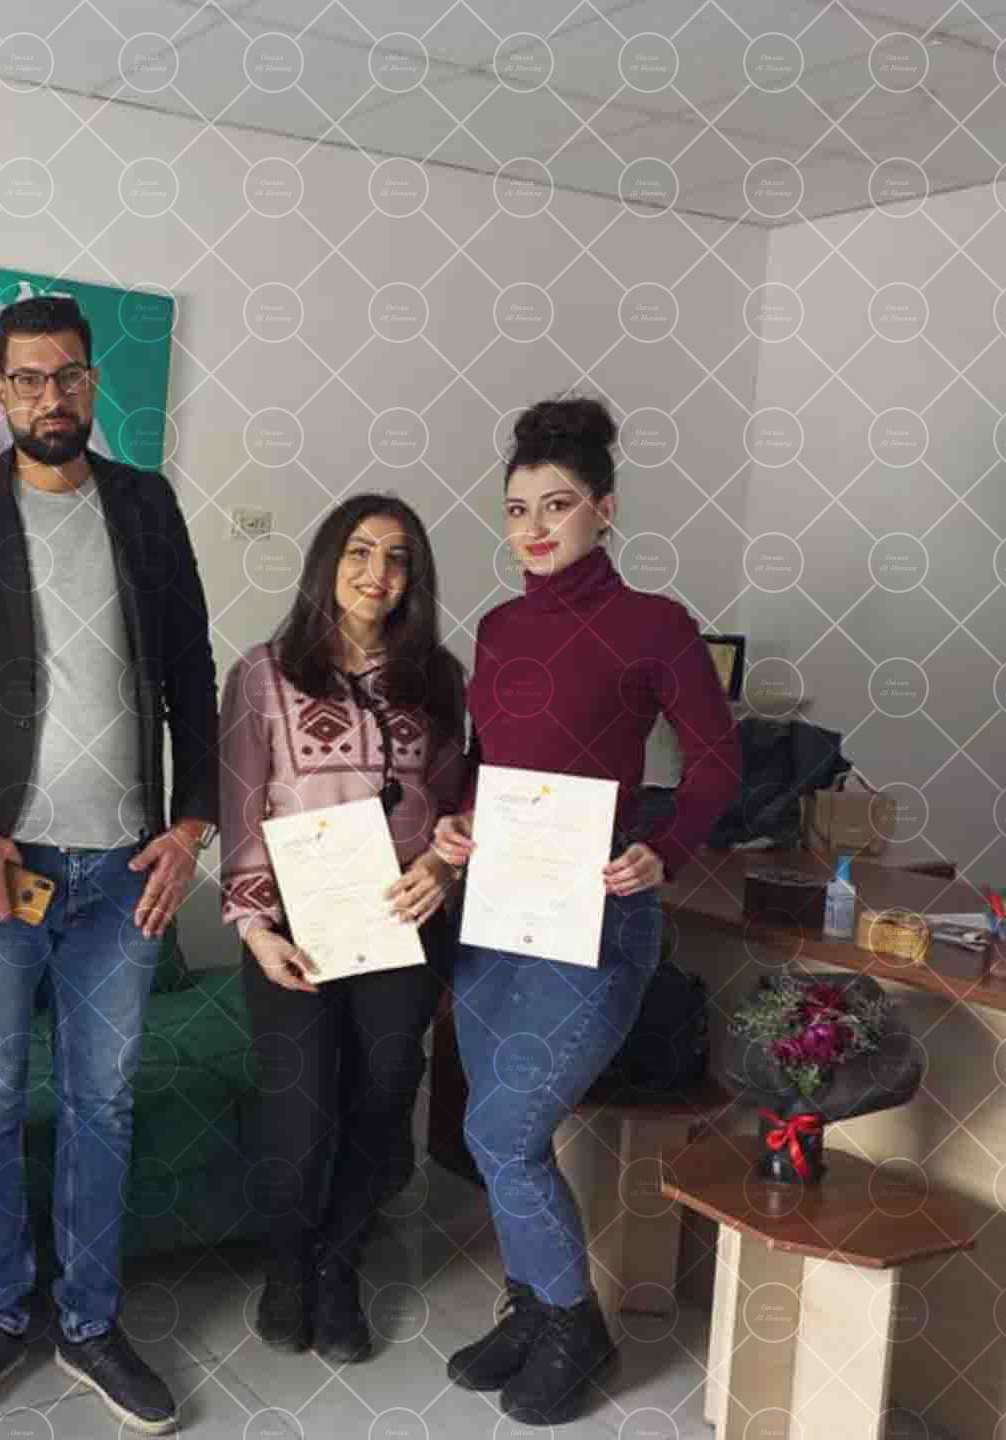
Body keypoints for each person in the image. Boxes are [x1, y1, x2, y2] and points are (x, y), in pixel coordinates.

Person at [0, 293, 219, 1437]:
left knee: (103, 1105)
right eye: (28, 378)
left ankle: (89, 1322)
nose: (50, 396)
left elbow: (192, 670)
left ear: (92, 382)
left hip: (124, 870)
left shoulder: (146, 504)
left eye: (68, 374)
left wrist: (193, 822)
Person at [433, 397, 739, 1426]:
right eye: (517, 509)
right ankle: (531, 1305)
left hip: (598, 912)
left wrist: (665, 848)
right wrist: (458, 822)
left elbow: (717, 762)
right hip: (498, 905)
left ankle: (577, 1326)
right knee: (491, 1130)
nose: (534, 528)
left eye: (557, 505)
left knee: (506, 1128)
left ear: (603, 509)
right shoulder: (499, 627)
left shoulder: (655, 624)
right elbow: (490, 762)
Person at [218, 493, 466, 1364]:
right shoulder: (262, 673)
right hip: (296, 928)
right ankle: (287, 1270)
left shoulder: (439, 678)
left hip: (401, 923)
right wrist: (257, 929)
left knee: (381, 1105)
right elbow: (241, 809)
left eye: (397, 557)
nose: (377, 573)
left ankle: (338, 1268)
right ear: (327, 561)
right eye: (359, 551)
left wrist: (444, 866)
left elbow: (454, 803)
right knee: (302, 1117)